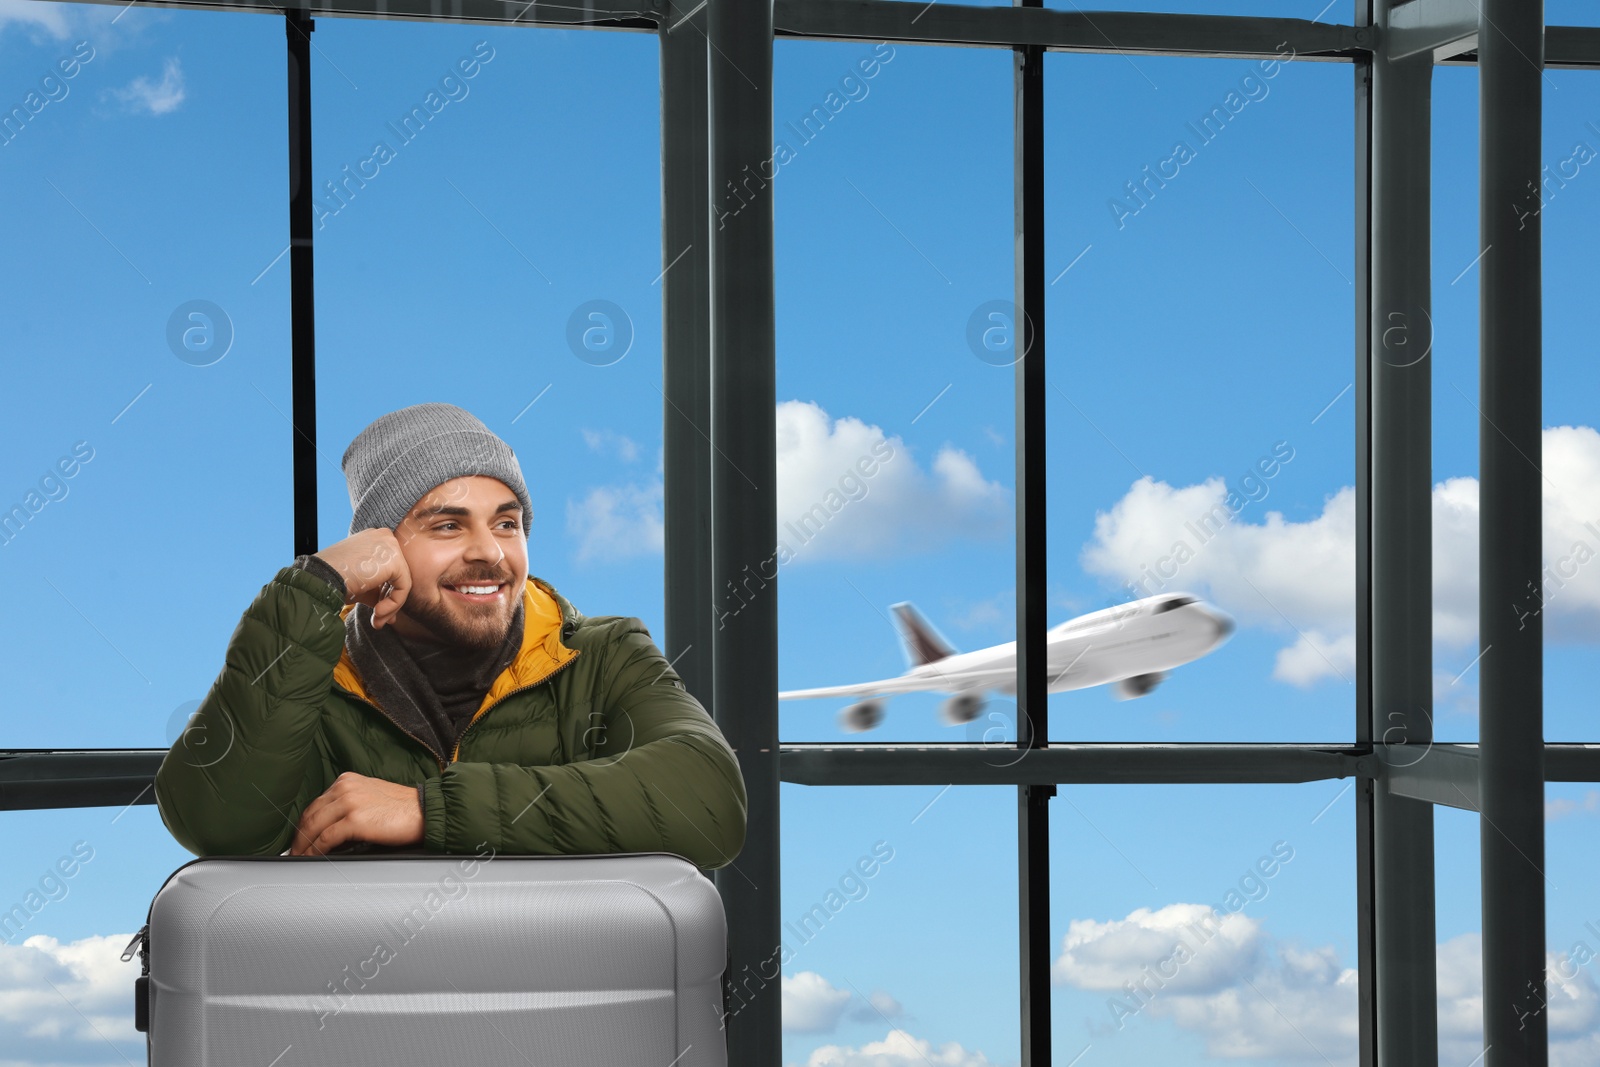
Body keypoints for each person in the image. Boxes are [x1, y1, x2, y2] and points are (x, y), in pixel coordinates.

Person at [154, 402, 747, 870]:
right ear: (381, 549)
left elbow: (709, 802)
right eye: (446, 525)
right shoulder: (316, 678)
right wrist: (316, 586)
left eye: (507, 523)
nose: (489, 553)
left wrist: (426, 808)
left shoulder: (604, 654)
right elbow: (218, 823)